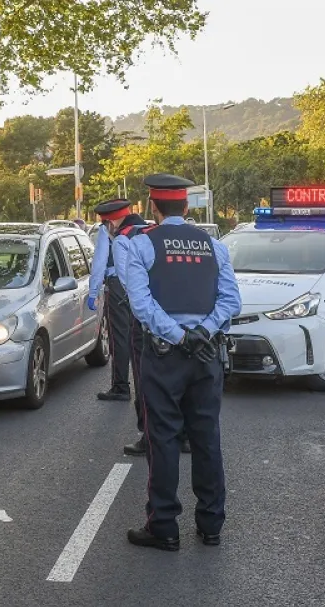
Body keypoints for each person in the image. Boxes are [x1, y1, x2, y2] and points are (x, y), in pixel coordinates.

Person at [124, 174, 241, 551]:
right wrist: (202, 332)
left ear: (152, 208)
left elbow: (141, 304)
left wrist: (178, 336)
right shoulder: (213, 245)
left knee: (163, 439)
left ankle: (164, 526)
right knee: (207, 437)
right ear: (187, 207)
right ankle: (211, 525)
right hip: (206, 355)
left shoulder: (139, 245)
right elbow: (231, 301)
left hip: (164, 356)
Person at [88, 199, 145, 404]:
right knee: (141, 337)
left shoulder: (111, 232)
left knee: (119, 336)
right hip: (145, 287)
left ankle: (121, 386)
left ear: (110, 221)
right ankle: (144, 386)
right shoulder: (145, 228)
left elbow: (100, 260)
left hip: (119, 287)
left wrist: (93, 291)